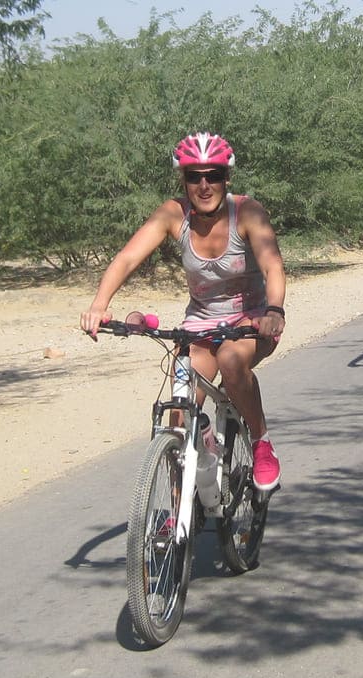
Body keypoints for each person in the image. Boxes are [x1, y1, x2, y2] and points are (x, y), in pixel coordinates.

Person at [80, 132, 286, 492]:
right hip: (200, 325)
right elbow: (128, 257)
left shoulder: (247, 212)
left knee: (232, 362)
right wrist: (100, 304)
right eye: (194, 176)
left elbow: (272, 266)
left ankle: (261, 442)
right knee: (179, 412)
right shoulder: (173, 214)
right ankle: (177, 516)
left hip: (251, 320)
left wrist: (273, 310)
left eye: (213, 175)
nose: (204, 185)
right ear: (183, 180)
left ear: (227, 178)